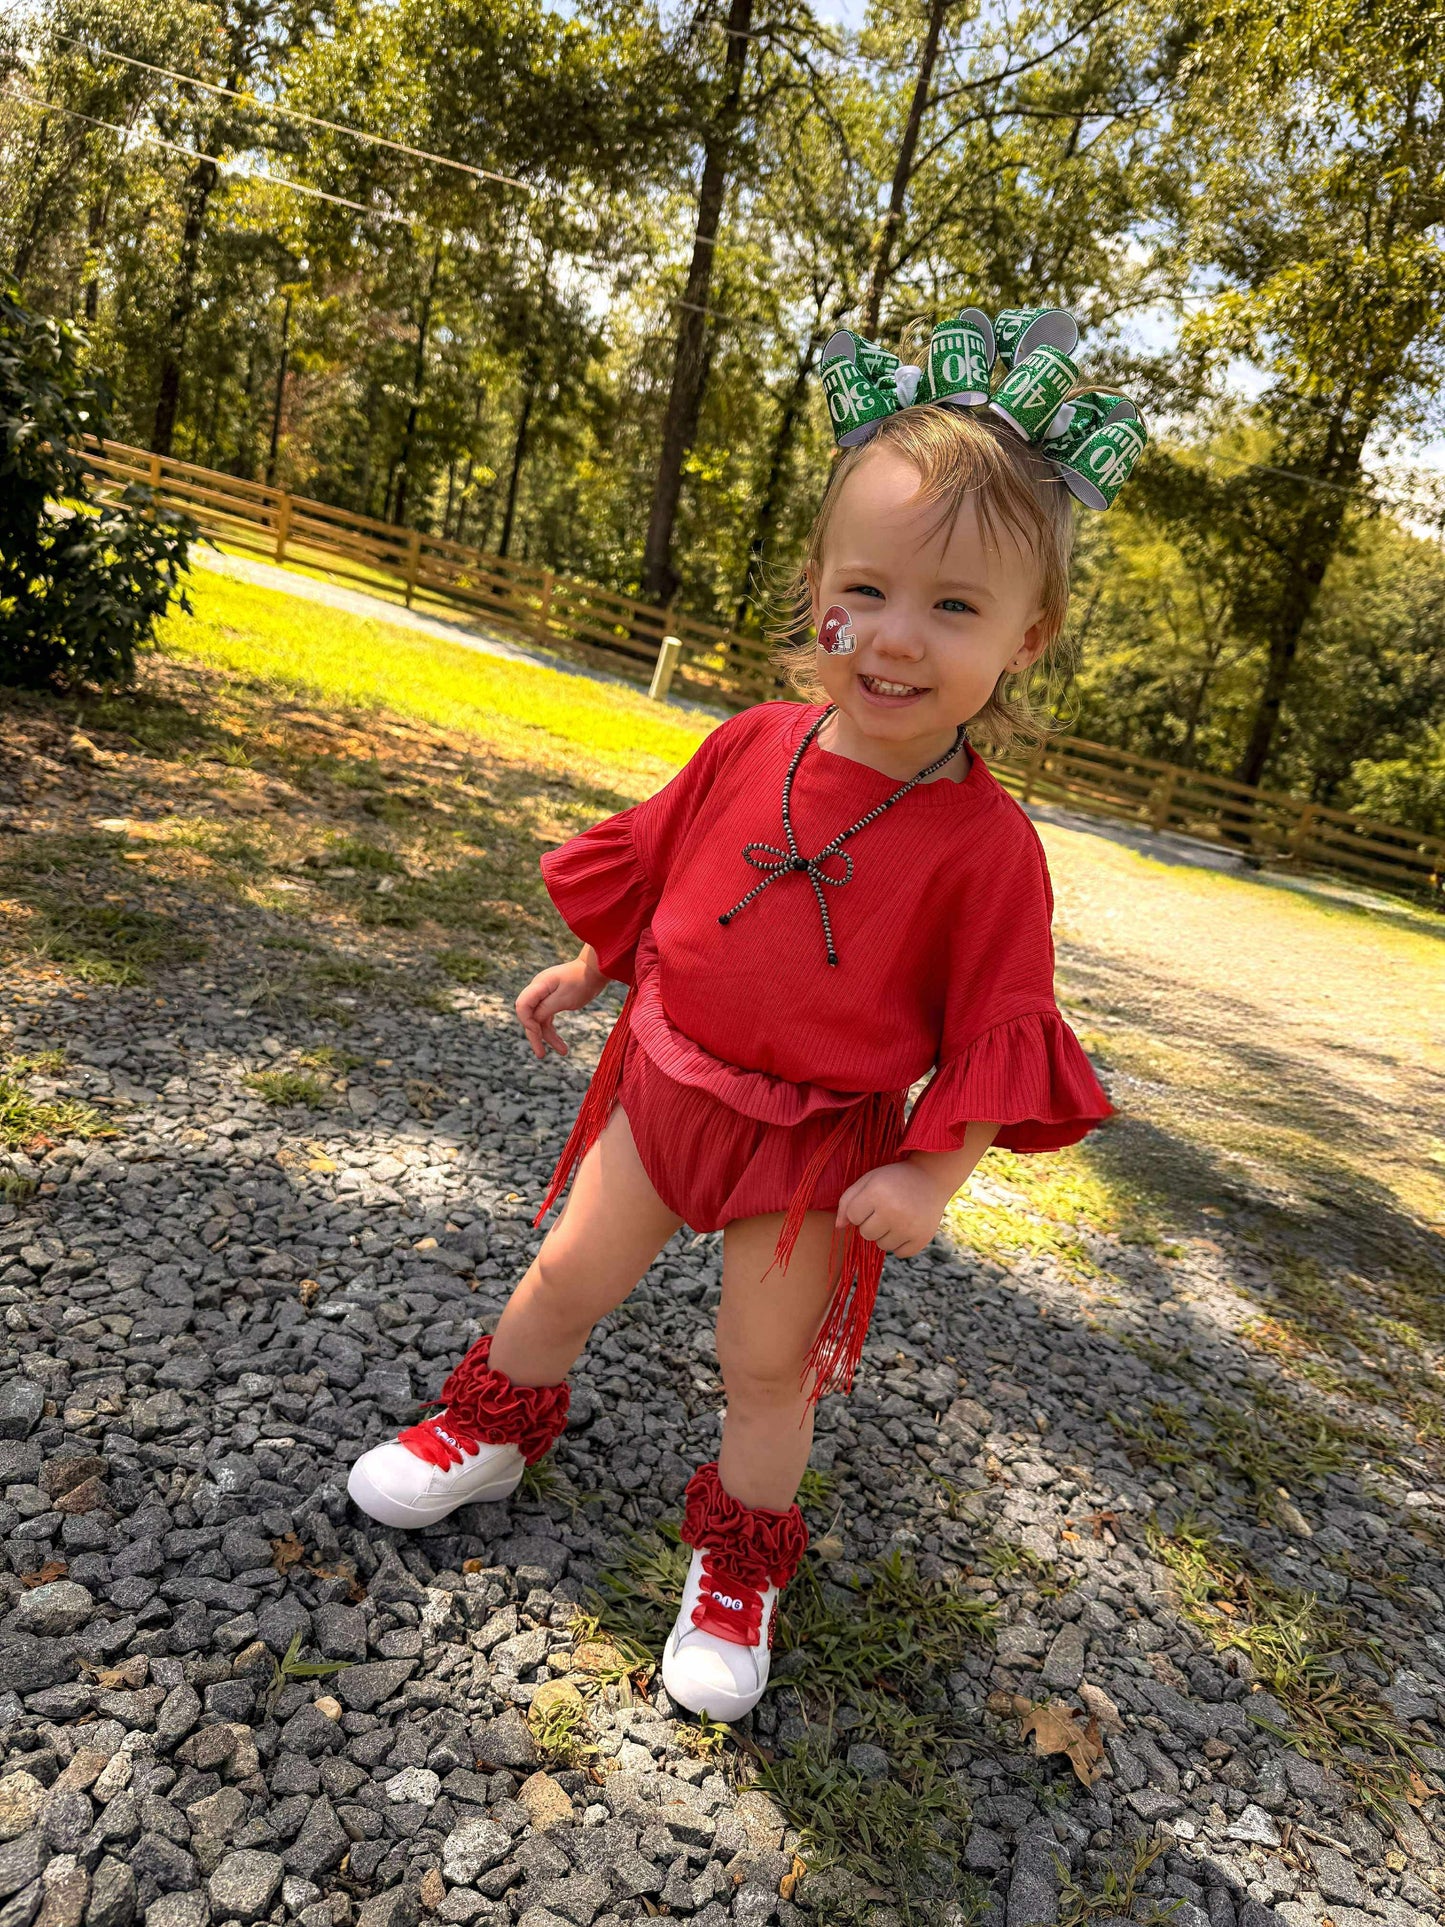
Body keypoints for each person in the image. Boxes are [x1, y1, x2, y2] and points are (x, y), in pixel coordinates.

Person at [347, 306, 1145, 1723]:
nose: (895, 639)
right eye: (866, 590)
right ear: (816, 588)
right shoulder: (750, 744)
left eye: (954, 609)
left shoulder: (987, 849)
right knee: (563, 1276)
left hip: (815, 1152)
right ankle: (490, 1427)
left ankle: (736, 1565)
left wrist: (931, 1171)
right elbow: (670, 868)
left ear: (1029, 637)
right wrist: (592, 964)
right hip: (665, 1088)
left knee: (764, 1367)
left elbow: (999, 1029)